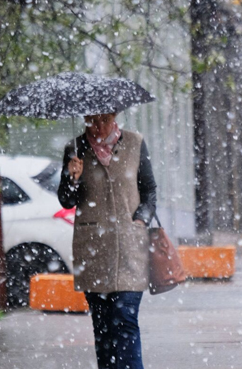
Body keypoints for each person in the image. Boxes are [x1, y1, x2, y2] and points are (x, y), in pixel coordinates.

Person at [58, 112, 157, 369]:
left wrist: (141, 220)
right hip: (93, 250)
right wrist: (72, 179)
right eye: (93, 120)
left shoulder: (135, 143)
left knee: (125, 319)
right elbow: (66, 201)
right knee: (102, 328)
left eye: (105, 119)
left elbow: (149, 191)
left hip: (130, 247)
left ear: (115, 116)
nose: (99, 126)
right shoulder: (75, 148)